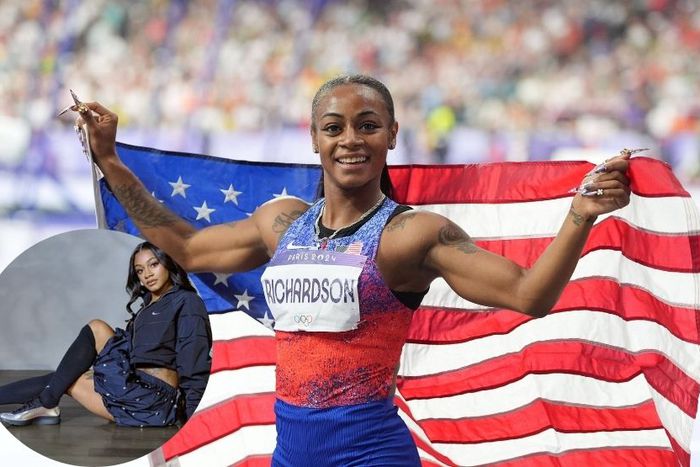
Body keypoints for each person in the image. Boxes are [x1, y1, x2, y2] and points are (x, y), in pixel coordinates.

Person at [68, 74, 630, 464]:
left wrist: (580, 215)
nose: (351, 140)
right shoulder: (281, 224)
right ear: (315, 138)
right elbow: (188, 249)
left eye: (368, 125)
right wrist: (110, 159)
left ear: (392, 135)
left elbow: (529, 294)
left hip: (371, 452)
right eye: (334, 127)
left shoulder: (411, 234)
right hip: (291, 452)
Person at [0, 241, 212, 428]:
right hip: (132, 382)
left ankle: (46, 404)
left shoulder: (186, 301)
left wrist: (193, 416)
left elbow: (193, 360)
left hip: (153, 400)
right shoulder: (146, 306)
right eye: (139, 270)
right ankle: (46, 404)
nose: (147, 274)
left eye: (153, 264)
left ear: (168, 263)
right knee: (67, 370)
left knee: (64, 379)